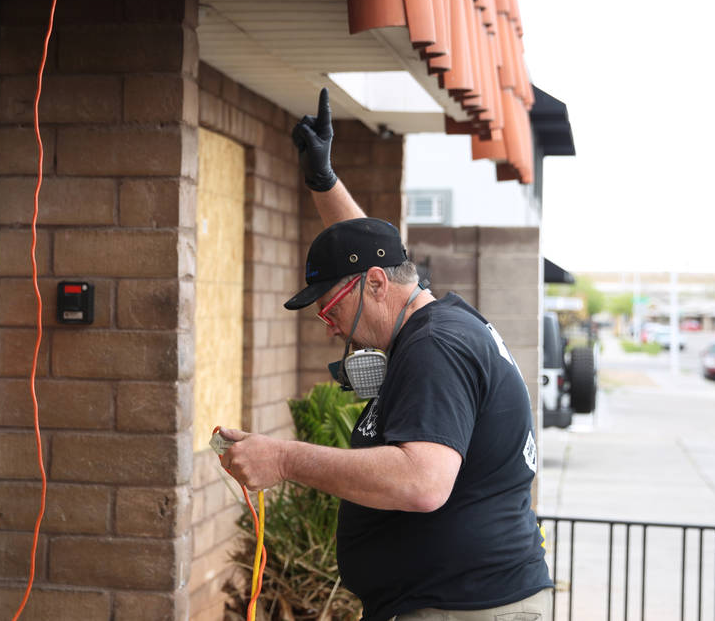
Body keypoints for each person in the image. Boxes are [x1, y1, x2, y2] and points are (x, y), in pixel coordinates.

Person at [218, 89, 554, 620]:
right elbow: (374, 249)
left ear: (376, 286)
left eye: (330, 310)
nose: (329, 328)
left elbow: (422, 483)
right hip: (457, 600)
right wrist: (322, 179)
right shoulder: (433, 321)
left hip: (462, 607)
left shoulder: (434, 346)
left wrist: (283, 459)